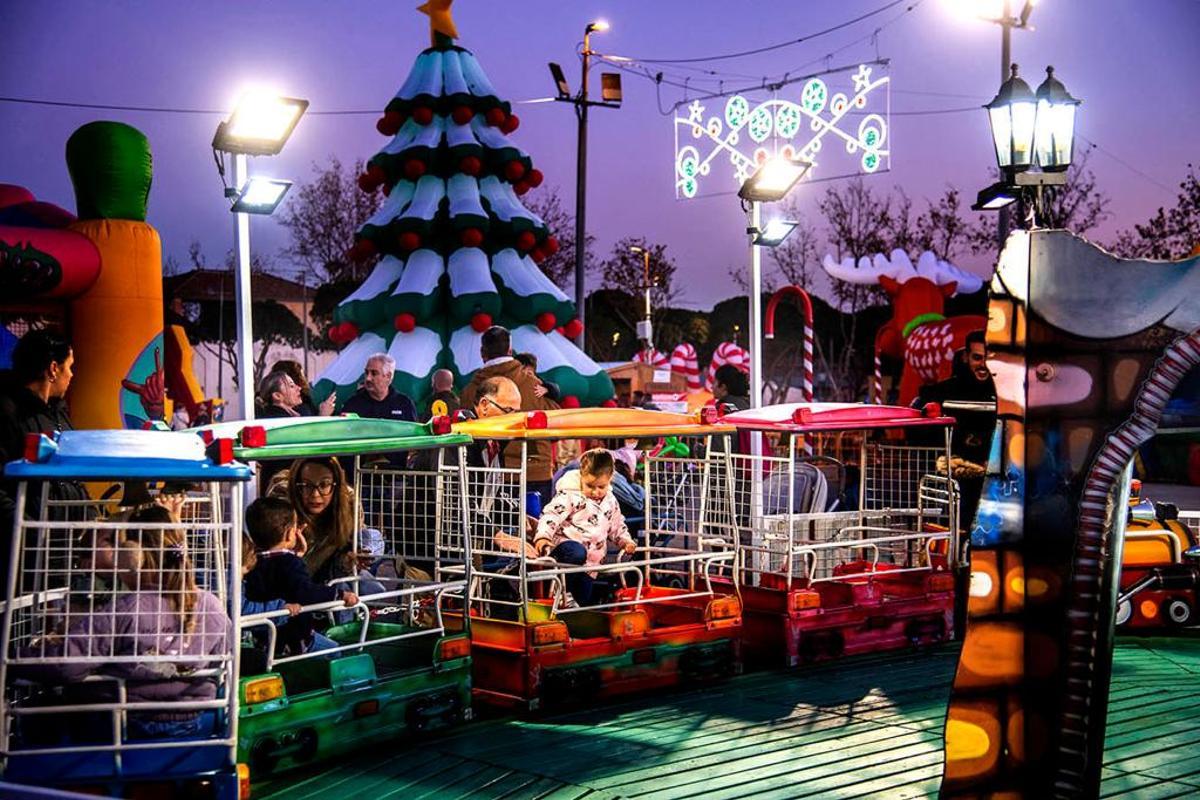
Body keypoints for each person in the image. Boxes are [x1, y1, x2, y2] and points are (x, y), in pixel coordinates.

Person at [18, 510, 229, 741]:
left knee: (39, 709)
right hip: (194, 721)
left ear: (131, 557)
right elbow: (223, 658)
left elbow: (66, 666)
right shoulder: (212, 605)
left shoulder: (125, 609)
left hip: (125, 725)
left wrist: (17, 659)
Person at [0, 329, 89, 578]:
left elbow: (73, 474)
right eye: (69, 366)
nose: (72, 374)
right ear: (53, 369)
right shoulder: (8, 413)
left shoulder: (59, 414)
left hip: (64, 553)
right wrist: (32, 530)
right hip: (21, 559)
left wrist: (89, 516)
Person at [243, 496, 357, 654]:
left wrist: (296, 556)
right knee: (335, 651)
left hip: (265, 639)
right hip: (296, 640)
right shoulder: (290, 563)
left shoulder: (252, 564)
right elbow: (306, 591)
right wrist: (340, 594)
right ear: (289, 533)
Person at [459, 326, 559, 504]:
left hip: (488, 477)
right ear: (510, 351)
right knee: (537, 521)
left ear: (482, 353)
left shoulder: (469, 392)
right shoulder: (534, 386)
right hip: (535, 473)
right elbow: (556, 423)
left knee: (491, 522)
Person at [913, 329, 997, 531]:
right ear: (966, 357)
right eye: (977, 357)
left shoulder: (1007, 392)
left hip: (995, 478)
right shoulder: (944, 391)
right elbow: (919, 423)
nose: (983, 364)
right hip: (956, 478)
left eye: (988, 358)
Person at [533, 449, 636, 607]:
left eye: (601, 486)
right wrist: (543, 536)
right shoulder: (569, 495)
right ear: (581, 476)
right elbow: (551, 515)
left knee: (583, 600)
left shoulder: (611, 501)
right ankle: (559, 591)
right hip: (566, 551)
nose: (595, 492)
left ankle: (571, 606)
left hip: (591, 564)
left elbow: (617, 525)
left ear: (610, 479)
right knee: (577, 552)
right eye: (590, 486)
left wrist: (625, 541)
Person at [270, 359, 335, 417]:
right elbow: (307, 427)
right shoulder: (278, 415)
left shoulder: (301, 407)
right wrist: (323, 415)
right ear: (277, 395)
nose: (299, 388)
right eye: (291, 386)